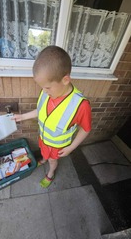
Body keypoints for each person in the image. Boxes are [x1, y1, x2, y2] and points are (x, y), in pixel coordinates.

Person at [12, 45, 91, 188]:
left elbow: (85, 129)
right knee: (45, 154)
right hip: (44, 139)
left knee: (53, 161)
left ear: (65, 80)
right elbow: (41, 111)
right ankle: (44, 158)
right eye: (42, 87)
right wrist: (22, 117)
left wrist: (71, 148)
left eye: (47, 87)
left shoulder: (80, 105)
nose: (44, 91)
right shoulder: (47, 91)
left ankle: (51, 172)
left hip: (57, 146)